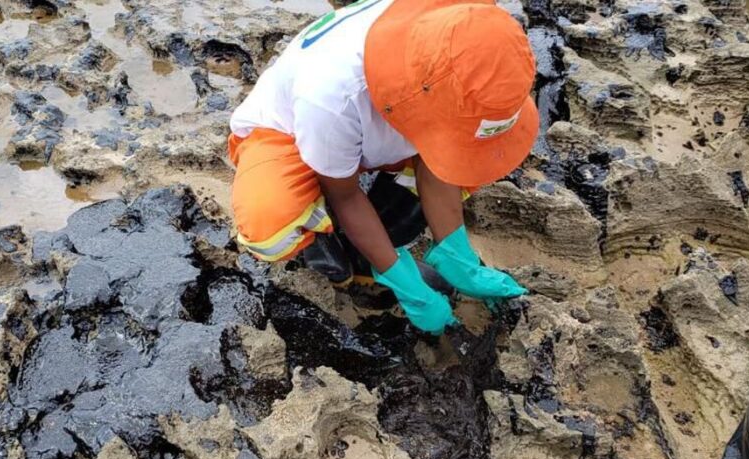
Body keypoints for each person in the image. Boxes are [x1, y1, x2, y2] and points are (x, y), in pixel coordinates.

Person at [227, 0, 538, 334]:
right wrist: (403, 281)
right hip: (292, 132)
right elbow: (345, 196)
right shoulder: (331, 97)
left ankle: (381, 243)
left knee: (475, 156)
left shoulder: (460, 27)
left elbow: (442, 161)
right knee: (270, 219)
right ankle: (337, 254)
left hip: (380, 127)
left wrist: (455, 252)